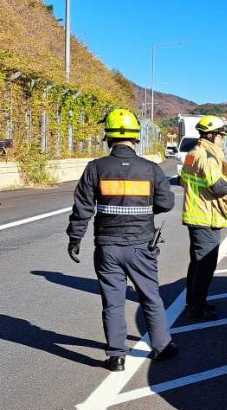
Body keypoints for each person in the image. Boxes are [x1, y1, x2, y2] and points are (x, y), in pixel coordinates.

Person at [66, 109, 178, 372]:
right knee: (150, 297)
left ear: (108, 136)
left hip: (107, 246)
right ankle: (162, 347)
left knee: (112, 301)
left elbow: (82, 207)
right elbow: (166, 202)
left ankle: (116, 356)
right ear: (136, 137)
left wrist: (75, 237)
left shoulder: (96, 168)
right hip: (141, 246)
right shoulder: (150, 169)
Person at [179, 115, 227, 321]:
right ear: (212, 135)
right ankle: (197, 308)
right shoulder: (207, 157)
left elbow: (184, 181)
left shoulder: (192, 153)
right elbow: (219, 187)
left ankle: (194, 302)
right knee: (205, 266)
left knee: (196, 264)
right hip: (206, 217)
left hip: (196, 215)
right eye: (221, 136)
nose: (222, 139)